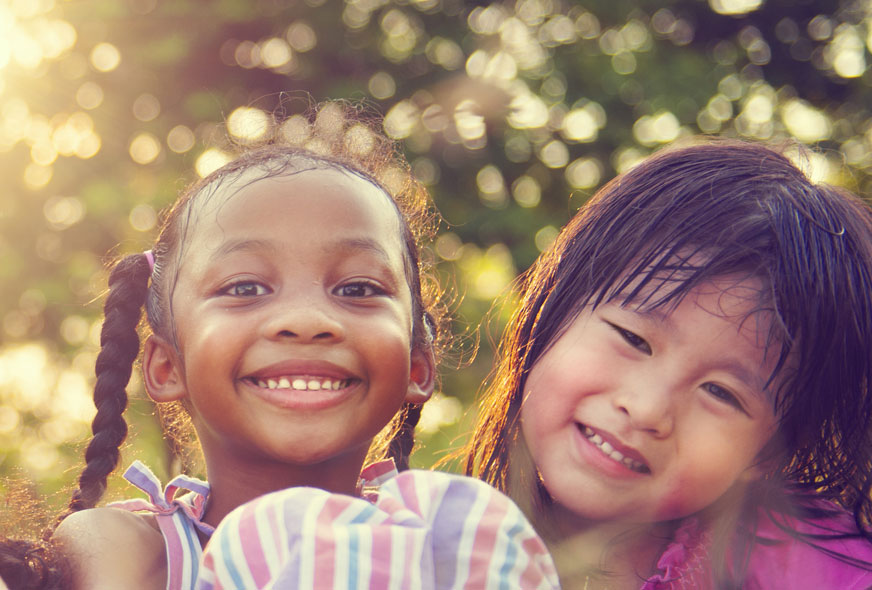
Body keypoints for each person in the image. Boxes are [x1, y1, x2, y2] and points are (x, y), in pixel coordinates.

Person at [51, 105, 556, 589]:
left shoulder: (458, 542)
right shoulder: (129, 549)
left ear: (417, 366)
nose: (307, 321)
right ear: (165, 366)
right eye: (244, 288)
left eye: (358, 289)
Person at [459, 140, 872, 588]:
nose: (648, 410)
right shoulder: (412, 547)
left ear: (768, 451)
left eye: (721, 392)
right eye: (634, 339)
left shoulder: (822, 575)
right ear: (551, 309)